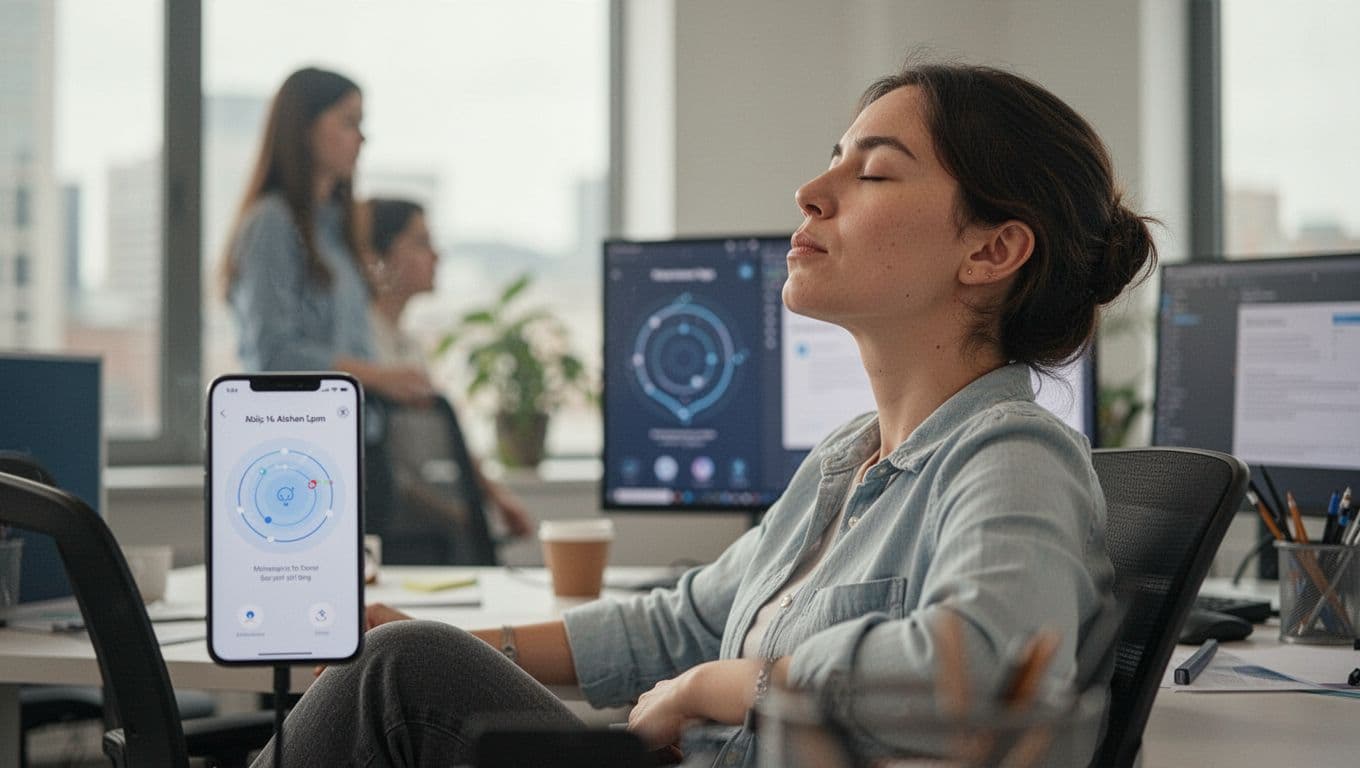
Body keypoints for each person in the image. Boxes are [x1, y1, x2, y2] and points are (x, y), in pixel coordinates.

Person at [250, 61, 1156, 767]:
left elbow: (981, 671)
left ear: (992, 249)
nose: (813, 189)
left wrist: (725, 685)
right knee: (406, 662)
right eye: (834, 156)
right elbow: (675, 624)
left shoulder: (1013, 453)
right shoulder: (848, 461)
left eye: (873, 172)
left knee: (396, 685)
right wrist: (451, 636)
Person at [221, 67, 434, 405]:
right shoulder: (272, 224)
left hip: (353, 432)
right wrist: (377, 377)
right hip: (306, 433)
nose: (361, 139)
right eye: (349, 122)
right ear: (305, 128)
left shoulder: (336, 232)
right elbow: (272, 355)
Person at [361, 197, 533, 540]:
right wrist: (460, 516)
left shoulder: (407, 344)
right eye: (421, 243)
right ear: (379, 257)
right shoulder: (364, 349)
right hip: (400, 531)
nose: (437, 256)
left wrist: (495, 497)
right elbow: (395, 474)